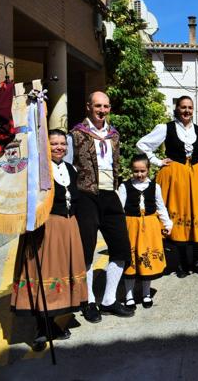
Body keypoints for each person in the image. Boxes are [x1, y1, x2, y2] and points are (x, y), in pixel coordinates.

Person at [11, 129, 88, 351]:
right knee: (43, 272)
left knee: (60, 273)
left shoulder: (71, 169)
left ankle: (50, 323)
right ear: (46, 146)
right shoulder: (37, 171)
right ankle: (42, 328)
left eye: (63, 143)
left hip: (68, 226)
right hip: (46, 226)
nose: (59, 147)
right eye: (54, 144)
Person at [136, 95, 198, 278]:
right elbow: (142, 144)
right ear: (177, 109)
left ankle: (197, 261)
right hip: (175, 177)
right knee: (178, 217)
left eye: (190, 107)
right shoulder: (166, 128)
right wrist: (156, 161)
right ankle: (182, 263)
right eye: (183, 107)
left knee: (197, 216)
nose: (187, 111)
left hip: (196, 175)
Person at [68, 91, 133, 321]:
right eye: (98, 106)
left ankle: (109, 300)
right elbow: (67, 168)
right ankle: (89, 302)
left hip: (109, 194)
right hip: (86, 196)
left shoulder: (114, 134)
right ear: (88, 107)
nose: (102, 110)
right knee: (87, 250)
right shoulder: (76, 134)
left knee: (122, 249)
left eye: (106, 106)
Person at [117, 154, 172, 310]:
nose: (139, 174)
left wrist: (167, 223)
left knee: (147, 259)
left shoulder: (155, 187)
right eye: (136, 171)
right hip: (131, 226)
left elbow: (161, 207)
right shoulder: (124, 186)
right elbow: (120, 210)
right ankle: (129, 295)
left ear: (148, 170)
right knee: (131, 261)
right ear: (131, 171)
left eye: (143, 171)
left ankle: (146, 293)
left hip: (150, 227)